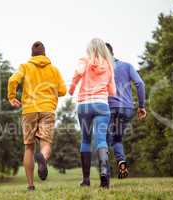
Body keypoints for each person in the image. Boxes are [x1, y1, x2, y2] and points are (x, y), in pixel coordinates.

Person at [7, 41, 67, 191]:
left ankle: (30, 185)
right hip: (47, 109)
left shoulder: (25, 67)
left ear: (32, 54)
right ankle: (43, 158)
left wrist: (12, 96)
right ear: (45, 54)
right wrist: (51, 92)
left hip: (29, 110)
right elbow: (63, 91)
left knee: (29, 147)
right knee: (45, 143)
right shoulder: (54, 70)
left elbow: (12, 80)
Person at [69, 38, 116, 188]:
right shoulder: (109, 64)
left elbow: (78, 72)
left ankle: (86, 180)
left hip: (84, 105)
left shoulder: (85, 59)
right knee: (101, 139)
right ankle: (104, 175)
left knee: (86, 140)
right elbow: (113, 90)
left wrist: (72, 87)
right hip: (101, 105)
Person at [105, 43, 146, 179]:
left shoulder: (101, 69)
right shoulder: (127, 66)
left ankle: (105, 172)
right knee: (117, 138)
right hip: (127, 109)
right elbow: (140, 84)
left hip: (109, 108)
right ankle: (121, 162)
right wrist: (141, 106)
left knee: (104, 140)